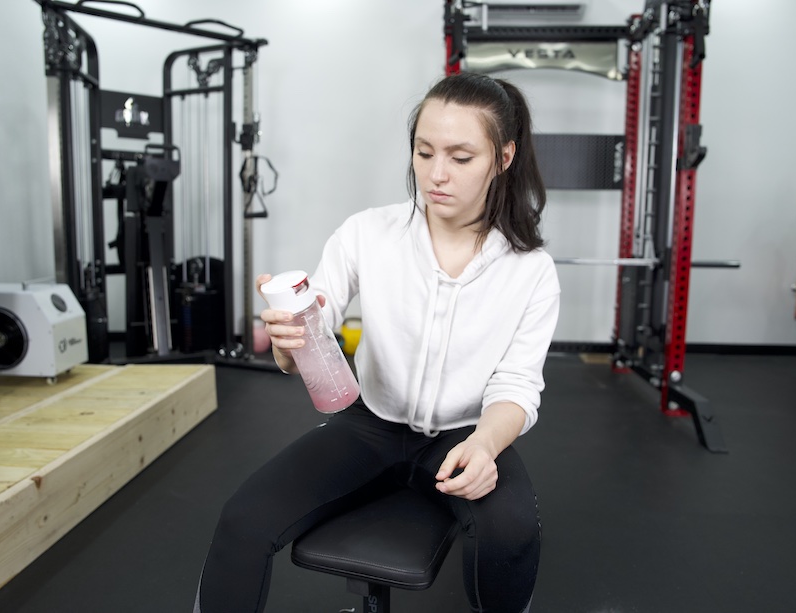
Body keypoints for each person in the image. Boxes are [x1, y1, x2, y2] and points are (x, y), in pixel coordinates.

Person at [194, 71, 561, 613]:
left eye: (461, 158)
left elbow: (517, 383)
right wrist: (289, 341)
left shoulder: (531, 271)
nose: (436, 174)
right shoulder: (367, 234)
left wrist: (485, 445)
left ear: (503, 157)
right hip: (369, 426)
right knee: (243, 520)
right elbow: (315, 317)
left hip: (465, 433)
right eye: (424, 152)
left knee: (511, 534)